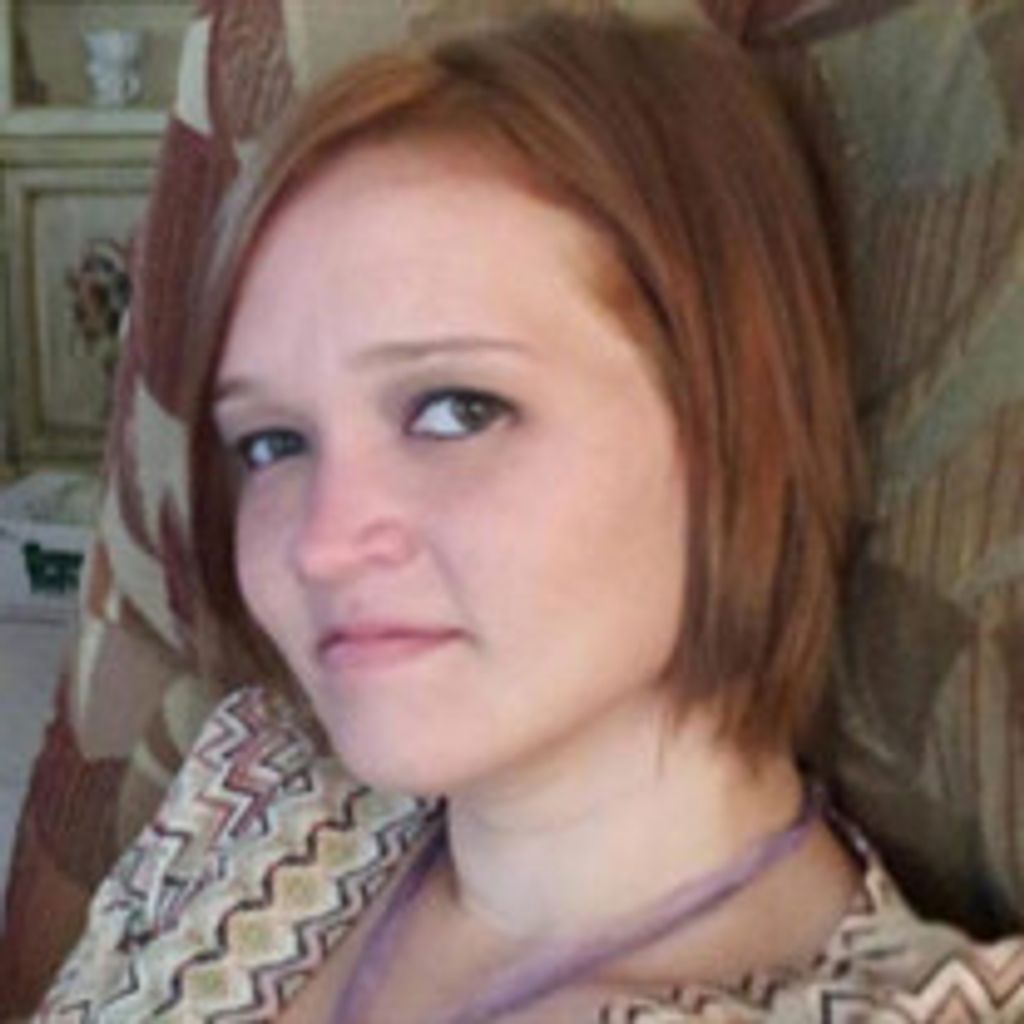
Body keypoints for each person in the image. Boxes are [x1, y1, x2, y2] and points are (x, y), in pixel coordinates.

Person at [36, 10, 1024, 1022]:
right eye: (272, 443)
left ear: (734, 424)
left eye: (457, 410)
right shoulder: (247, 783)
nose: (320, 546)